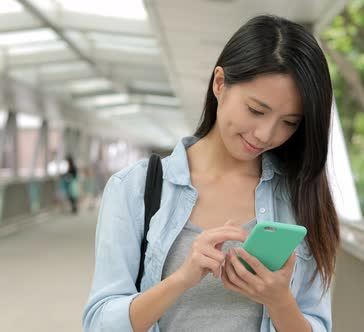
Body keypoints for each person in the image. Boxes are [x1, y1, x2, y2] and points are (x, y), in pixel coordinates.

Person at [83, 14, 339, 332]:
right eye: (256, 110)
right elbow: (99, 324)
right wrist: (182, 278)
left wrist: (279, 300)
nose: (265, 134)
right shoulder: (132, 188)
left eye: (289, 122)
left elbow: (317, 323)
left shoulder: (300, 196)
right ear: (220, 83)